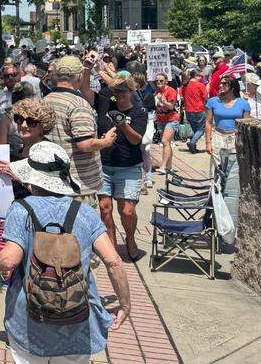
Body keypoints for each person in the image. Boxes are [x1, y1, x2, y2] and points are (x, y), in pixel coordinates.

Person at [0, 142, 131, 364]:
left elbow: (9, 260)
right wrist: (124, 304)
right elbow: (113, 261)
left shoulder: (21, 209)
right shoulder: (85, 213)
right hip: (77, 318)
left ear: (31, 179)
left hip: (29, 318)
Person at [41, 56, 116, 206]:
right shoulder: (78, 104)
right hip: (77, 186)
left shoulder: (46, 100)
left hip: (52, 181)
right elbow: (85, 145)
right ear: (79, 76)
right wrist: (106, 141)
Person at [94, 76, 149, 261]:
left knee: (127, 211)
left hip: (129, 167)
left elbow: (136, 140)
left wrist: (123, 124)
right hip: (104, 165)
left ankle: (130, 239)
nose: (119, 95)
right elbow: (86, 90)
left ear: (131, 91)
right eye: (116, 91)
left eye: (123, 91)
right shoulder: (105, 105)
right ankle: (112, 246)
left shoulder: (140, 111)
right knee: (105, 208)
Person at [205, 75, 251, 252]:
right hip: (218, 138)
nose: (221, 86)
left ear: (232, 87)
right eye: (220, 83)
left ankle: (229, 234)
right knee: (216, 182)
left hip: (234, 141)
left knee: (231, 188)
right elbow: (208, 122)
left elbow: (246, 126)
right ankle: (214, 225)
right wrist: (208, 142)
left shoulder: (243, 104)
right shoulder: (213, 102)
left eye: (225, 84)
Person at [152, 73, 180, 175]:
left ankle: (163, 166)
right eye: (157, 81)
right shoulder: (157, 91)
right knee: (166, 144)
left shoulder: (171, 91)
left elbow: (171, 106)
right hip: (161, 119)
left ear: (166, 81)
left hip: (172, 119)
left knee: (165, 141)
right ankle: (169, 167)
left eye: (161, 80)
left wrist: (163, 101)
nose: (158, 82)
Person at [181, 69, 208, 153]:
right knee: (201, 129)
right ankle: (192, 143)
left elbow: (182, 95)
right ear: (196, 76)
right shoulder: (200, 85)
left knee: (194, 129)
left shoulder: (185, 85)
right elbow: (206, 97)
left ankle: (193, 147)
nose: (202, 78)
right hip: (198, 109)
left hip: (188, 110)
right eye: (201, 76)